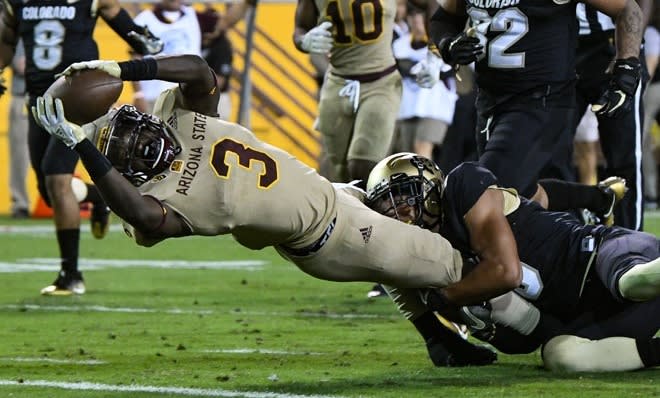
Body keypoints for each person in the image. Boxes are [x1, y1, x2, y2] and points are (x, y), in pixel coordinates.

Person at [32, 55, 492, 323]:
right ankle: (533, 318)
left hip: (329, 196)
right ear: (122, 172)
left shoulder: (182, 114)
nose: (142, 137)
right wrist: (83, 150)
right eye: (127, 147)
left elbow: (198, 69)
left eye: (134, 125)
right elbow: (144, 218)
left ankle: (437, 339)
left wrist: (123, 67)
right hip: (329, 235)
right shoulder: (160, 201)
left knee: (406, 241)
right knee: (458, 265)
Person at [366, 152, 660, 371]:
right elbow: (524, 341)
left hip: (599, 252)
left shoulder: (462, 187)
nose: (396, 212)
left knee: (629, 282)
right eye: (385, 207)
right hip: (589, 309)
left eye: (402, 197)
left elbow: (506, 271)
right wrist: (482, 323)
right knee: (561, 355)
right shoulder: (435, 261)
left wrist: (446, 297)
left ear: (430, 190)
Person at [416, 0, 644, 215]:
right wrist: (449, 45)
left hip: (541, 100)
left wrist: (627, 66)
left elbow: (628, 9)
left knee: (483, 191)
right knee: (517, 195)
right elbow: (442, 18)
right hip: (489, 100)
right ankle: (599, 199)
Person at [0, 0, 164, 295]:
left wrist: (138, 35)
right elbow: (8, 38)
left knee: (56, 177)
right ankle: (98, 198)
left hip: (77, 100)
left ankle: (71, 274)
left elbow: (118, 17)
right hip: (39, 103)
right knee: (50, 192)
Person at [293, 0, 402, 186]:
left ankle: (370, 213)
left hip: (380, 80)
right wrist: (304, 41)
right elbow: (300, 28)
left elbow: (435, 9)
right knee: (336, 171)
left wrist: (435, 52)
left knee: (363, 164)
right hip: (338, 82)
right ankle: (344, 213)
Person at [130, 0, 204, 113]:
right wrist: (139, 94)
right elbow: (135, 58)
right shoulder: (144, 20)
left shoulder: (193, 15)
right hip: (154, 96)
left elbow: (225, 22)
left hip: (189, 96)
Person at [7, 39, 29, 219]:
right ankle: (20, 203)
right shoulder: (20, 29)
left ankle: (56, 199)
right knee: (20, 155)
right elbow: (21, 65)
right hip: (24, 98)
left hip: (53, 98)